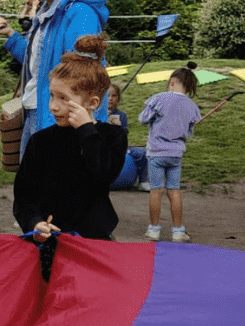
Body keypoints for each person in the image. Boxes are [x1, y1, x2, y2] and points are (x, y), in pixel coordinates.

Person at [0, 0, 110, 160]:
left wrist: (73, 131)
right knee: (32, 188)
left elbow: (81, 80)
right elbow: (38, 65)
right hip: (34, 112)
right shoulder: (45, 12)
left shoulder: (80, 13)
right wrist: (11, 35)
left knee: (53, 190)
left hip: (59, 119)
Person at [12, 34, 127, 242]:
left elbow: (103, 175)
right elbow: (24, 195)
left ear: (91, 103)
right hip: (48, 240)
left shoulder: (112, 136)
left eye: (63, 98)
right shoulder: (41, 141)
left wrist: (86, 131)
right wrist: (34, 223)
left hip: (92, 241)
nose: (53, 106)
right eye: (52, 95)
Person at [140, 65, 202, 242]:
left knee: (156, 190)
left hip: (156, 153)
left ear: (172, 82)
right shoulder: (192, 106)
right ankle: (177, 231)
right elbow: (188, 133)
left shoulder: (158, 99)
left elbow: (143, 119)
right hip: (176, 154)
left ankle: (153, 229)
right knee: (174, 191)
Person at [106, 82, 150, 191]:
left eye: (114, 96)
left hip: (120, 149)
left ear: (118, 99)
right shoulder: (96, 114)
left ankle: (143, 181)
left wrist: (118, 128)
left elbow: (124, 135)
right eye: (107, 96)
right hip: (102, 149)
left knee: (141, 153)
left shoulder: (122, 115)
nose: (110, 99)